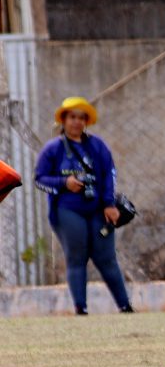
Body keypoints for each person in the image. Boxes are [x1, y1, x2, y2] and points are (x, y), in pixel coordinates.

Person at [35, 96, 133, 315]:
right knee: (76, 257)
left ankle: (125, 307)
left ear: (86, 121)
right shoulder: (53, 149)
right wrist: (64, 183)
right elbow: (39, 179)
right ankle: (81, 308)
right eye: (72, 117)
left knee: (106, 258)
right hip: (67, 210)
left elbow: (109, 175)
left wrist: (109, 204)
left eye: (81, 118)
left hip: (98, 209)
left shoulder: (97, 146)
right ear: (64, 120)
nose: (76, 122)